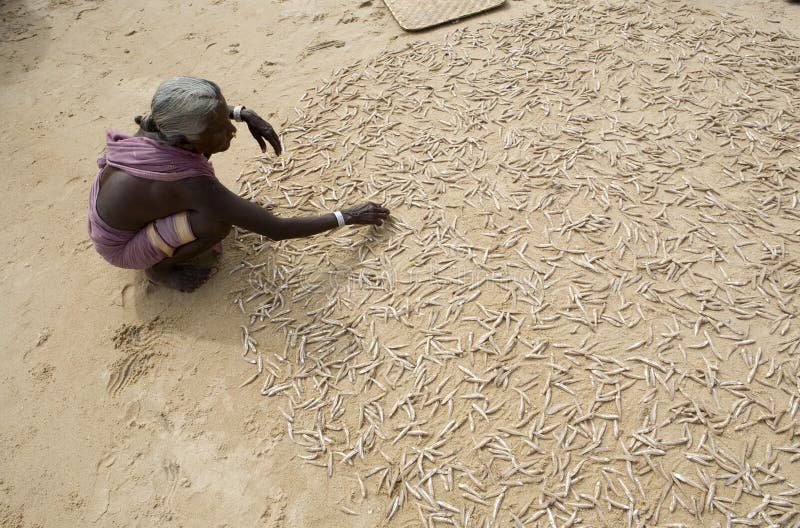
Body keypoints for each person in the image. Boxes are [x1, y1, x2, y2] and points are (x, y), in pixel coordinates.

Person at [88, 76, 390, 292]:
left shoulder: (161, 125)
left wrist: (243, 113)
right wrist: (348, 216)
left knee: (216, 209)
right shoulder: (189, 184)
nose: (231, 131)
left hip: (116, 210)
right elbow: (275, 229)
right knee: (216, 223)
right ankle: (159, 270)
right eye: (218, 127)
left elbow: (199, 111)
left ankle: (166, 238)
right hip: (122, 245)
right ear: (184, 141)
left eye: (226, 119)